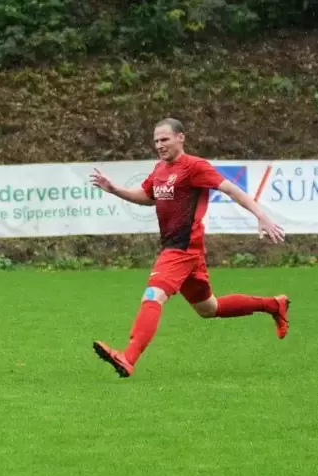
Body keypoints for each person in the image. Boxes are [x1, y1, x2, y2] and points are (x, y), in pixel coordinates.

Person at [89, 118, 289, 378]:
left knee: (153, 296)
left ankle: (128, 357)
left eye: (165, 139)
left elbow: (230, 189)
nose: (159, 145)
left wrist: (261, 215)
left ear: (180, 137)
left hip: (181, 249)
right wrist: (115, 190)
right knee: (209, 308)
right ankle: (273, 305)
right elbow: (148, 197)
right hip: (185, 252)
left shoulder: (194, 167)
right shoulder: (160, 169)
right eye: (156, 141)